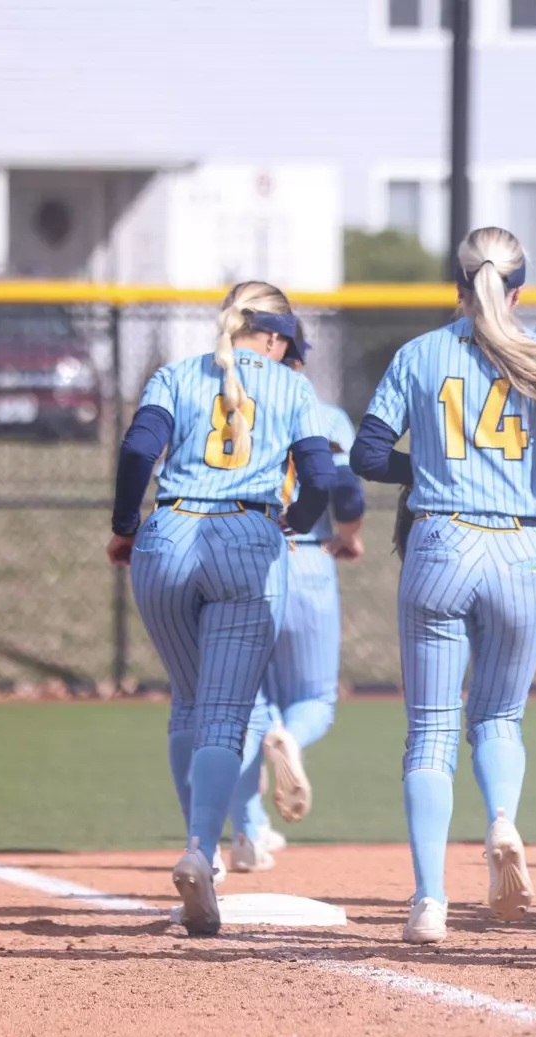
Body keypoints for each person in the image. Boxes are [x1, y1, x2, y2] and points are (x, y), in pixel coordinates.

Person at [349, 226, 536, 945]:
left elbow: (368, 453)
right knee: (500, 718)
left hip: (443, 537)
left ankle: (429, 900)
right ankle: (502, 824)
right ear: (518, 288)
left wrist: (423, 472)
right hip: (522, 542)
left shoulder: (421, 354)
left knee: (430, 730)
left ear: (458, 286)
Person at [108, 282, 334, 934]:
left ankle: (197, 846)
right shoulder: (292, 388)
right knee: (226, 716)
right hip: (246, 536)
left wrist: (126, 524)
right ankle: (203, 853)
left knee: (188, 698)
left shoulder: (174, 375)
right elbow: (320, 478)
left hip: (168, 535)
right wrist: (296, 521)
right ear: (273, 336)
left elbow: (134, 452)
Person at [228, 336, 367, 872]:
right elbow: (347, 493)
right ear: (298, 362)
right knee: (315, 701)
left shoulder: (233, 409)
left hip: (245, 556)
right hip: (308, 557)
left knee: (247, 709)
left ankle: (248, 833)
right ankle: (292, 737)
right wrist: (350, 536)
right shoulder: (322, 412)